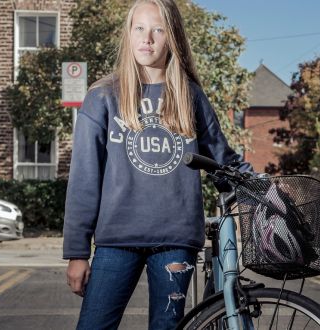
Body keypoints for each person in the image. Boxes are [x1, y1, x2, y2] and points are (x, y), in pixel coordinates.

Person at [62, 0, 252, 328]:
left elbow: (223, 161)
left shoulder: (189, 95)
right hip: (116, 240)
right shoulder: (103, 96)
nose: (147, 38)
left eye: (158, 29)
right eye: (139, 28)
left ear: (172, 36)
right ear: (129, 34)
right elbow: (84, 179)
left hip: (175, 240)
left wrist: (266, 186)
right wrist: (77, 252)